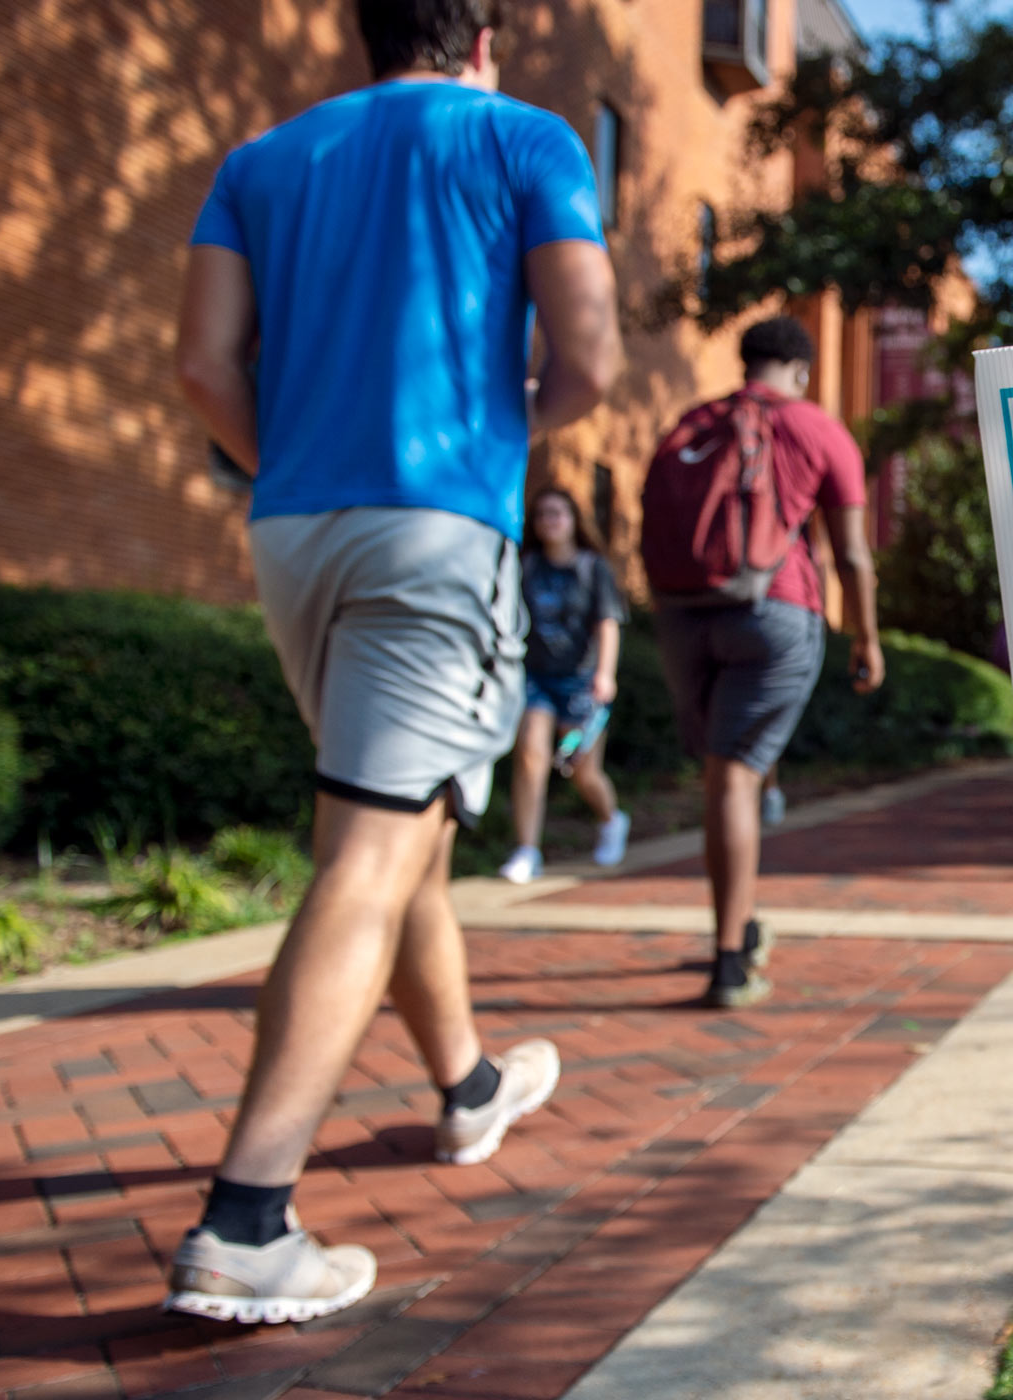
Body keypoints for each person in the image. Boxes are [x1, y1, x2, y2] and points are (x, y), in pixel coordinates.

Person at [169, 0, 621, 1322]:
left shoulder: (261, 160)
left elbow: (203, 367)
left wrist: (302, 466)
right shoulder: (528, 139)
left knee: (396, 817)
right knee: (369, 850)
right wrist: (500, 435)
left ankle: (471, 1083)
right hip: (436, 529)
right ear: (482, 38)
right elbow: (588, 356)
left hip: (294, 532)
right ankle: (248, 1223)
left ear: (364, 38)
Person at [656, 316, 883, 1008]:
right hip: (778, 612)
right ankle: (730, 960)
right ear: (802, 370)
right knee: (736, 780)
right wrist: (867, 638)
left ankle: (742, 924)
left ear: (746, 362)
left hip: (685, 614)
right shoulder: (818, 428)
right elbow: (850, 553)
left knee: (721, 776)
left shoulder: (694, 422)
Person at [499, 486, 630, 883]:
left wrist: (605, 675)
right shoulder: (527, 567)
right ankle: (527, 850)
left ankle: (611, 819)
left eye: (558, 513)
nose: (550, 521)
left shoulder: (592, 568)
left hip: (581, 682)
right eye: (542, 514)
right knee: (530, 758)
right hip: (536, 678)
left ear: (574, 520)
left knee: (581, 771)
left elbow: (607, 623)